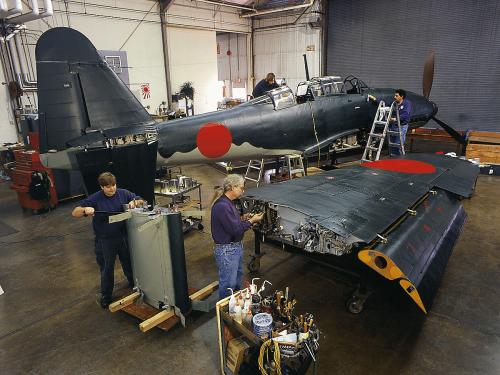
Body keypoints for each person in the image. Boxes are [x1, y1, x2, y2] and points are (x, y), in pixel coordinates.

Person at [72, 172, 144, 308]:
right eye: (108, 187)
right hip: (105, 241)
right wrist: (85, 209)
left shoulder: (123, 193)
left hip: (123, 237)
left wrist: (134, 202)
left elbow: (141, 200)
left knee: (129, 263)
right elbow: (75, 212)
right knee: (107, 268)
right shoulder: (95, 198)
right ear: (101, 187)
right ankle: (106, 295)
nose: (112, 189)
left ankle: (134, 284)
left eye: (113, 185)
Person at [211, 174, 264, 300]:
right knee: (228, 284)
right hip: (227, 251)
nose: (243, 190)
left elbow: (230, 223)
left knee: (236, 280)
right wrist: (252, 221)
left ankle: (234, 306)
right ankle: (225, 310)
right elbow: (235, 230)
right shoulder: (223, 206)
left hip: (233, 248)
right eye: (241, 187)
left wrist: (243, 218)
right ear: (233, 187)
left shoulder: (227, 203)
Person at [369, 89, 412, 156]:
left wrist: (395, 119)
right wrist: (375, 99)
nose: (394, 97)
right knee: (392, 145)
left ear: (402, 96)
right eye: (394, 95)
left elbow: (405, 114)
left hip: (401, 126)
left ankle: (399, 160)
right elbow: (385, 105)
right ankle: (393, 159)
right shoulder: (394, 103)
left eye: (396, 96)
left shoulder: (407, 103)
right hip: (393, 126)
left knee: (398, 145)